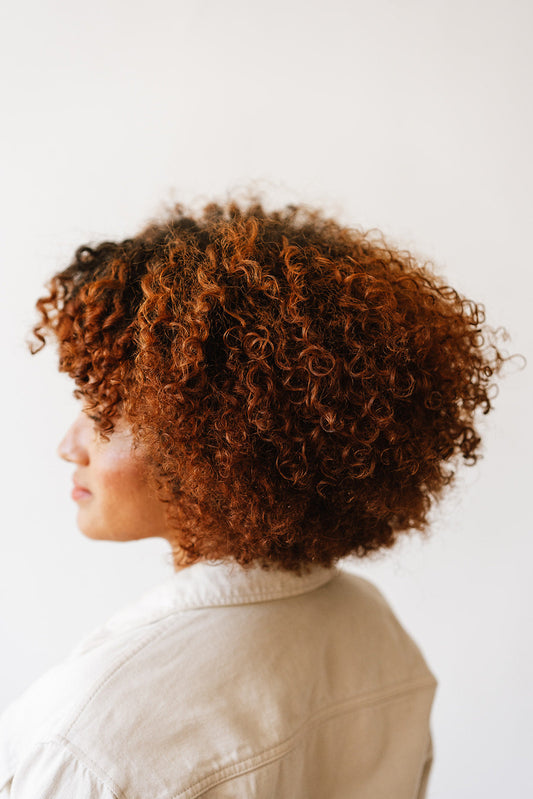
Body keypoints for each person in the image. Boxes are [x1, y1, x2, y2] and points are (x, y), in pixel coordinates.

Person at [0, 195, 510, 798]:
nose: (68, 445)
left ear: (219, 442)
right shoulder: (374, 629)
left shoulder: (91, 740)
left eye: (106, 417)